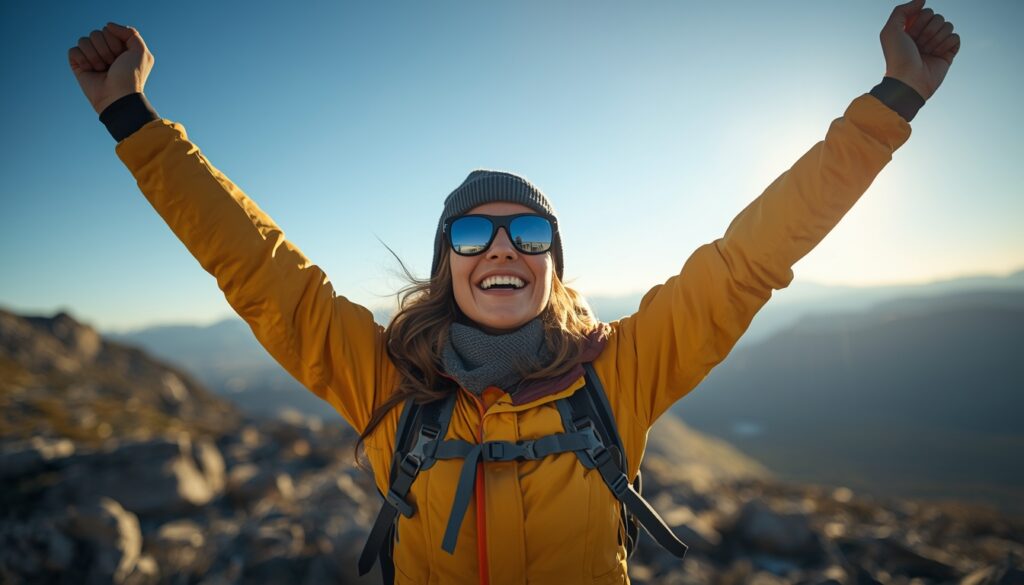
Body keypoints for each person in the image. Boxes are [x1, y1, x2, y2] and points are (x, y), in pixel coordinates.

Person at [69, 1, 959, 583]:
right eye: (473, 232)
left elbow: (750, 257)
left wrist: (889, 105)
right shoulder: (381, 377)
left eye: (528, 233)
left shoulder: (623, 367)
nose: (502, 247)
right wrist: (132, 122)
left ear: (552, 264)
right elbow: (256, 266)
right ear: (446, 261)